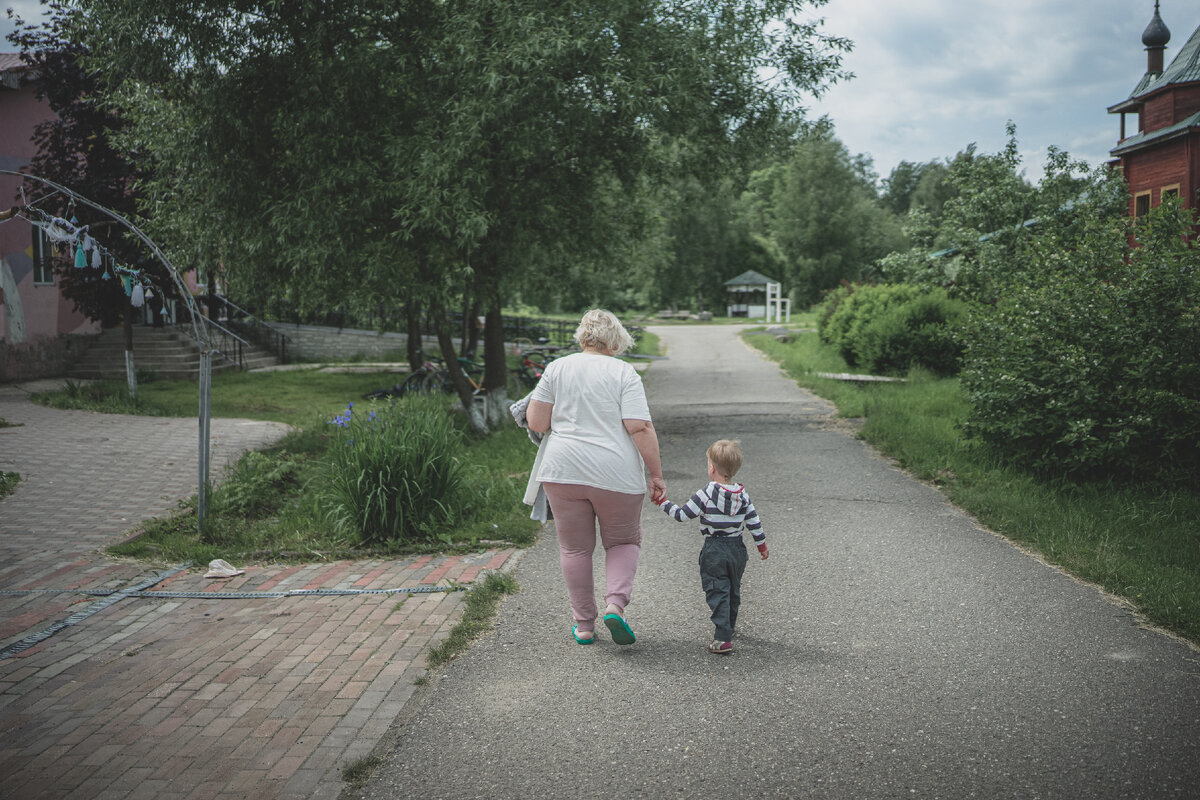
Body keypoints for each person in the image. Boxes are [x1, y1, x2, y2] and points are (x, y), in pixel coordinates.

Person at [525, 309, 665, 646]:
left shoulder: (557, 368)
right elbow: (640, 427)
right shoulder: (623, 372)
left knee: (574, 550)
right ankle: (615, 605)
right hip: (614, 473)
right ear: (615, 340)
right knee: (623, 541)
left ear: (582, 336)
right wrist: (656, 475)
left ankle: (584, 625)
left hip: (563, 471)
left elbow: (537, 422)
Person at [657, 439, 768, 654]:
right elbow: (753, 521)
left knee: (718, 589)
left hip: (714, 550)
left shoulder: (706, 493)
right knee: (733, 588)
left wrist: (664, 503)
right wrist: (761, 544)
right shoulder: (742, 494)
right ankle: (730, 625)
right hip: (737, 549)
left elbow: (682, 515)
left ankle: (722, 637)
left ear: (712, 468)